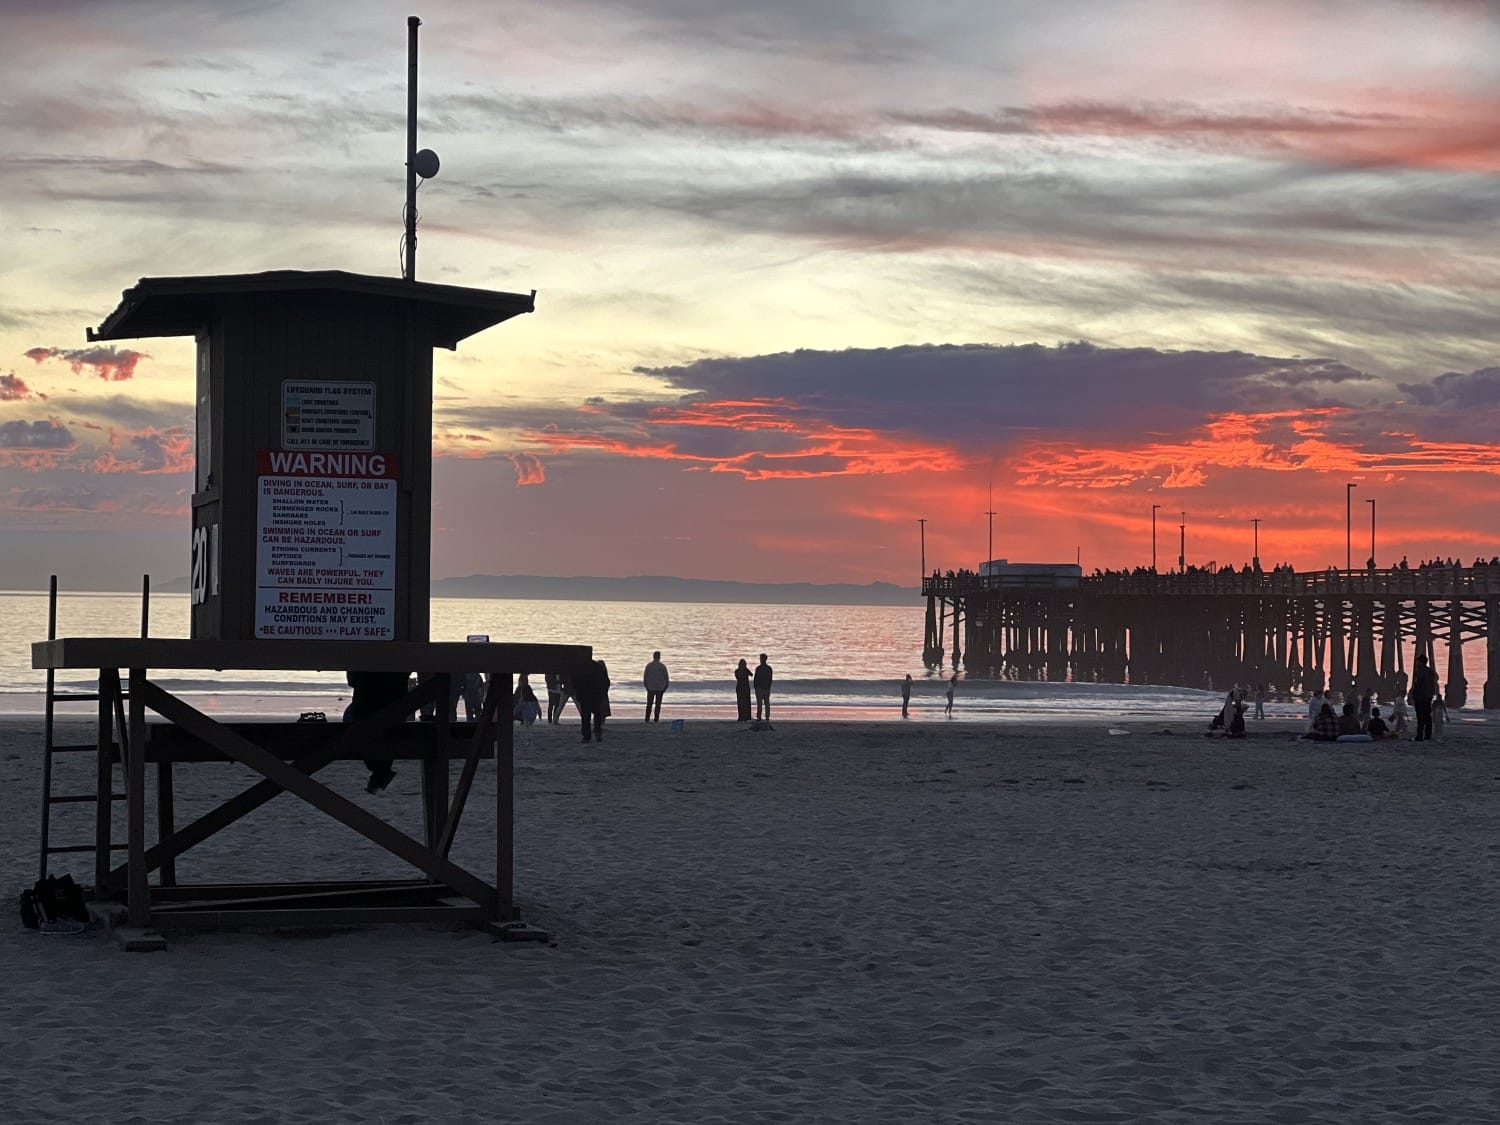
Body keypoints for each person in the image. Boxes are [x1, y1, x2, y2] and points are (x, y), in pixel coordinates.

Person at [345, 669, 411, 794]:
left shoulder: (360, 654)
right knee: (388, 725)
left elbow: (351, 681)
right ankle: (381, 771)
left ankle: (380, 771)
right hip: (396, 714)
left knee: (352, 718)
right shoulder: (403, 653)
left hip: (365, 715)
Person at [574, 659, 611, 743]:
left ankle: (587, 736)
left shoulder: (580, 668)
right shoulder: (598, 667)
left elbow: (575, 682)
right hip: (596, 695)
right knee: (597, 715)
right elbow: (606, 682)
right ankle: (597, 733)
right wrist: (603, 693)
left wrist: (578, 692)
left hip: (586, 696)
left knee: (586, 717)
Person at [1409, 654, 1438, 741]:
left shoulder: (1420, 671)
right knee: (1427, 716)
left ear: (1421, 662)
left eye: (1418, 662)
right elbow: (1433, 683)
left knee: (1420, 717)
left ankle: (1419, 735)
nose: (1416, 663)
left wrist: (1413, 694)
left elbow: (1418, 685)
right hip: (1428, 697)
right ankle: (1428, 735)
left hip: (1420, 697)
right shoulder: (1431, 672)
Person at [643, 651, 670, 722]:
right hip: (660, 688)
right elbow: (666, 678)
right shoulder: (662, 666)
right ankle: (656, 719)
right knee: (658, 705)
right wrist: (665, 687)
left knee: (649, 704)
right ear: (659, 657)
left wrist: (646, 686)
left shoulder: (649, 665)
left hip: (651, 687)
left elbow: (645, 677)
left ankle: (647, 719)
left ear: (653, 656)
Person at [753, 654, 773, 721]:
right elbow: (770, 679)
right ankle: (766, 717)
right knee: (765, 703)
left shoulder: (759, 668)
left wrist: (755, 686)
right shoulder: (768, 668)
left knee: (761, 703)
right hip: (764, 688)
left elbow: (755, 678)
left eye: (761, 658)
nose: (760, 660)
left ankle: (760, 717)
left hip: (761, 688)